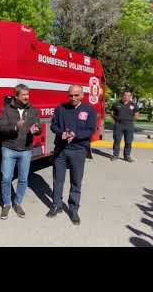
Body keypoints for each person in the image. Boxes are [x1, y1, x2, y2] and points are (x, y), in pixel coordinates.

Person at [47, 85, 96, 225]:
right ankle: (56, 205)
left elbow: (90, 130)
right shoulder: (60, 108)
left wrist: (76, 135)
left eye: (76, 95)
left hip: (78, 150)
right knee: (58, 180)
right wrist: (60, 133)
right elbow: (53, 125)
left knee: (76, 181)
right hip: (61, 150)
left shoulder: (89, 110)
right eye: (71, 95)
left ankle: (73, 209)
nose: (73, 98)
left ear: (82, 95)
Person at [0, 84, 41, 220]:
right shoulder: (6, 109)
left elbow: (38, 126)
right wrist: (15, 127)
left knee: (23, 179)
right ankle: (6, 204)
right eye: (23, 95)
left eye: (28, 95)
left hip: (26, 150)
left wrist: (37, 129)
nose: (26, 97)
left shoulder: (33, 110)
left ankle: (17, 203)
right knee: (6, 178)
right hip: (9, 148)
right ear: (16, 96)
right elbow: (1, 128)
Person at [111, 90, 139, 162]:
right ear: (122, 95)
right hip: (118, 125)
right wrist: (116, 120)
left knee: (128, 141)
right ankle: (115, 155)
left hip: (129, 125)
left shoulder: (133, 105)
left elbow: (136, 115)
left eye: (129, 96)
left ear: (130, 97)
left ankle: (127, 156)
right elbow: (112, 113)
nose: (127, 97)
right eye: (125, 95)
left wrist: (129, 120)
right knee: (117, 140)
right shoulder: (116, 104)